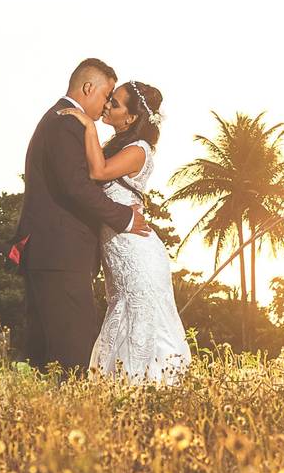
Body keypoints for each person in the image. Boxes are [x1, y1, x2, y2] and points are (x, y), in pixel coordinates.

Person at [11, 58, 150, 375]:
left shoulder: (63, 121)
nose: (104, 107)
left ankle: (61, 416)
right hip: (60, 253)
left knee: (58, 352)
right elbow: (76, 187)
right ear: (89, 88)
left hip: (54, 252)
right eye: (106, 95)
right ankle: (74, 418)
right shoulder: (66, 123)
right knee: (74, 352)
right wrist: (125, 218)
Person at [58, 80, 191, 384]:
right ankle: (122, 393)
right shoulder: (117, 146)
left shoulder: (139, 149)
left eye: (114, 104)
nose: (107, 105)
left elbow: (98, 172)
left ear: (131, 118)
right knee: (122, 314)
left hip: (138, 253)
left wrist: (88, 127)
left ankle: (149, 392)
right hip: (119, 251)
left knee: (140, 319)